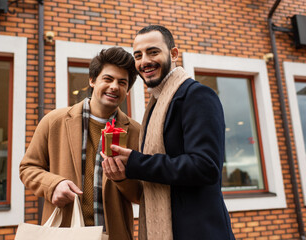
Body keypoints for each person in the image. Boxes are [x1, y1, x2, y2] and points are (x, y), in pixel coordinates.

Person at [101, 25, 235, 240]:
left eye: (153, 52)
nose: (144, 61)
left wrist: (136, 162)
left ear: (173, 54)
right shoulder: (155, 104)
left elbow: (205, 167)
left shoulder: (197, 96)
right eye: (138, 55)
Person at [19, 47, 142, 240]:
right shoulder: (54, 121)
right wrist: (53, 185)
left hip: (114, 235)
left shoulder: (136, 132)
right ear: (92, 80)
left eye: (122, 82)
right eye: (108, 79)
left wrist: (122, 179)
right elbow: (27, 168)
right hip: (64, 233)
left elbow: (141, 194)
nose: (114, 87)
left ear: (127, 90)